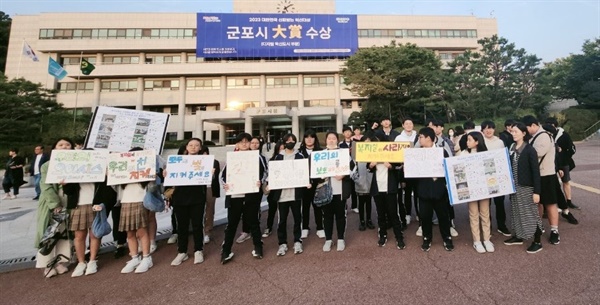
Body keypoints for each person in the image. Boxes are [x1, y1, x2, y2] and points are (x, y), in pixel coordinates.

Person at [221, 133, 266, 264]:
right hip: (235, 195)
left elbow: (264, 172)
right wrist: (225, 184)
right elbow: (224, 175)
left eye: (247, 141)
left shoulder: (257, 157)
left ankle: (258, 247)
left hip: (251, 193)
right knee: (232, 223)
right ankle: (226, 250)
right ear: (237, 144)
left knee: (253, 221)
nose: (244, 144)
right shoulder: (232, 157)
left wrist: (260, 181)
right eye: (241, 142)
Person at [34, 138, 75, 278]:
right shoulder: (46, 165)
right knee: (49, 233)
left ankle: (60, 261)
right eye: (61, 145)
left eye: (68, 145)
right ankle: (47, 264)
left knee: (63, 232)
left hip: (69, 200)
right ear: (54, 148)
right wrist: (55, 204)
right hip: (52, 202)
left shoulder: (75, 163)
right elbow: (45, 187)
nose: (65, 147)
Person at [503, 122, 544, 253]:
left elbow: (536, 172)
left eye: (515, 131)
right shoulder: (511, 147)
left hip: (526, 187)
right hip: (514, 187)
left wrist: (537, 192)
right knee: (516, 212)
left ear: (524, 133)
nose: (513, 134)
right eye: (512, 132)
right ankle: (518, 236)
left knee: (530, 214)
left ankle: (537, 241)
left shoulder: (529, 150)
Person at [67, 168, 114, 277]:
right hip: (78, 205)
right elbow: (69, 191)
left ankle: (92, 261)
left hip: (95, 205)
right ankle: (81, 262)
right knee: (79, 236)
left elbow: (107, 190)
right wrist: (65, 184)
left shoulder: (99, 171)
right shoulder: (73, 170)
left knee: (95, 234)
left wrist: (106, 175)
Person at [523, 115, 561, 245]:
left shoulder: (544, 136)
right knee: (537, 203)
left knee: (550, 203)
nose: (525, 131)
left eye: (526, 128)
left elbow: (535, 154)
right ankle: (538, 226)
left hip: (546, 175)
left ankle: (554, 230)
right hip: (537, 175)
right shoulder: (533, 137)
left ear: (533, 125)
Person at [266, 133, 307, 256]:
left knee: (297, 218)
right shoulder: (278, 158)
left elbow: (304, 173)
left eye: (292, 140)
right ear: (284, 142)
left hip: (296, 193)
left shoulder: (300, 156)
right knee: (282, 220)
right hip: (282, 194)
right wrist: (269, 184)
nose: (290, 142)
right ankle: (282, 243)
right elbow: (273, 174)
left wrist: (306, 182)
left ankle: (297, 241)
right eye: (288, 140)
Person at [169, 138, 207, 266]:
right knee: (182, 226)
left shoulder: (204, 162)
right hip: (180, 198)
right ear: (186, 147)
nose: (193, 147)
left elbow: (207, 180)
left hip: (197, 198)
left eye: (197, 145)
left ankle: (198, 250)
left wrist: (210, 174)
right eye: (191, 145)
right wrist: (166, 174)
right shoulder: (177, 161)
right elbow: (170, 179)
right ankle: (182, 251)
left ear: (200, 148)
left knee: (197, 224)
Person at [118, 147, 157, 274]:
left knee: (141, 231)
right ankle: (134, 257)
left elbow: (152, 187)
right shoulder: (122, 168)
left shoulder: (147, 168)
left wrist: (153, 178)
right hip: (125, 202)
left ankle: (146, 258)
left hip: (141, 201)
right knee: (129, 233)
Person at [416, 128, 454, 252]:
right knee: (425, 216)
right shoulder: (416, 154)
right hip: (423, 190)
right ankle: (427, 238)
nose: (419, 139)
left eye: (420, 137)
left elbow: (449, 169)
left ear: (428, 138)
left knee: (443, 216)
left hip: (440, 190)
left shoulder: (441, 152)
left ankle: (447, 238)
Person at [321, 131, 356, 252]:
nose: (331, 140)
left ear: (337, 140)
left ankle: (341, 238)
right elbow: (313, 171)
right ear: (326, 141)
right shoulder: (321, 155)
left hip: (340, 190)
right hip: (325, 191)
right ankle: (328, 239)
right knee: (327, 216)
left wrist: (343, 175)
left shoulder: (343, 153)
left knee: (341, 215)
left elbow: (353, 167)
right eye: (329, 138)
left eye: (333, 138)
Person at [368, 135, 406, 249]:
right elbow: (368, 167)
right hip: (377, 188)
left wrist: (390, 166)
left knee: (393, 213)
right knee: (380, 214)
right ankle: (382, 235)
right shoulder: (372, 155)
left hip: (390, 188)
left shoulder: (391, 154)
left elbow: (399, 166)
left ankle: (399, 237)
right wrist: (371, 165)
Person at [463, 132, 494, 254]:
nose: (467, 142)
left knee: (485, 214)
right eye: (467, 140)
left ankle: (487, 239)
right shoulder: (464, 153)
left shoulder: (486, 154)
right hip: (471, 190)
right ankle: (477, 241)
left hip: (484, 189)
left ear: (477, 142)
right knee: (473, 215)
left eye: (469, 140)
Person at [480, 120, 511, 236]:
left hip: (497, 176)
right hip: (484, 177)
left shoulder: (500, 142)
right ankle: (487, 227)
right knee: (485, 204)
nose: (488, 130)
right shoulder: (480, 141)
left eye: (491, 128)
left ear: (494, 129)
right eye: (486, 128)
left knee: (499, 202)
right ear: (482, 130)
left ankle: (501, 225)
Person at [236, 136, 267, 243]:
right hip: (242, 187)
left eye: (257, 143)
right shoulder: (240, 156)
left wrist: (260, 181)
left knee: (254, 210)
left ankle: (255, 232)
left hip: (255, 188)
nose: (254, 145)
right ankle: (245, 231)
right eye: (252, 143)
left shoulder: (261, 157)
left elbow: (265, 172)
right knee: (244, 210)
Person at [545, 117, 581, 211]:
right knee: (552, 184)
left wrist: (563, 155)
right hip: (549, 163)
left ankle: (569, 201)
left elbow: (572, 148)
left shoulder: (564, 135)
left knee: (566, 181)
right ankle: (554, 203)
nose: (549, 127)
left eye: (550, 125)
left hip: (563, 162)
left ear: (555, 125)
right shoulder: (545, 135)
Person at [298, 130, 325, 239]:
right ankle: (305, 227)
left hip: (317, 184)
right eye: (306, 137)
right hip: (304, 185)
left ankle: (320, 228)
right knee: (305, 207)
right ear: (304, 139)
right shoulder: (299, 153)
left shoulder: (321, 152)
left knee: (318, 206)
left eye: (311, 137)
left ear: (315, 139)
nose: (309, 139)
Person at [395, 118, 418, 228]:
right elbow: (395, 153)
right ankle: (408, 214)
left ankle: (419, 213)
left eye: (411, 123)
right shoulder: (398, 138)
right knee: (407, 192)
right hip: (404, 169)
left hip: (417, 169)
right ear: (403, 125)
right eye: (406, 123)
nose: (409, 125)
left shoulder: (418, 136)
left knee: (418, 192)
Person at [263, 140, 284, 237]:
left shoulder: (291, 160)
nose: (282, 151)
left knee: (283, 210)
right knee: (272, 209)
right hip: (274, 189)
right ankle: (269, 226)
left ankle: (281, 227)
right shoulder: (272, 160)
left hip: (285, 188)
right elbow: (268, 174)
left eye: (283, 149)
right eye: (280, 149)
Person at [354, 136, 375, 231]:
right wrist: (357, 179)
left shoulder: (373, 154)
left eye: (369, 142)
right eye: (365, 142)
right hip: (360, 183)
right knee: (361, 203)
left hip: (370, 182)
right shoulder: (357, 155)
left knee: (369, 202)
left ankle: (369, 219)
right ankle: (361, 220)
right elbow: (352, 169)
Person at [201, 146, 221, 244]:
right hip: (198, 188)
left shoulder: (214, 162)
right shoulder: (194, 162)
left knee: (209, 210)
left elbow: (215, 176)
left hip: (210, 188)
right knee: (199, 210)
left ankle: (207, 231)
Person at [339, 126, 358, 214]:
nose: (347, 133)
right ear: (343, 133)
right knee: (345, 189)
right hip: (344, 169)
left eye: (349, 131)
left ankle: (354, 206)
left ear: (351, 133)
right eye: (345, 132)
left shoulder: (355, 143)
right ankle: (344, 207)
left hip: (354, 168)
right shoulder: (340, 145)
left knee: (354, 189)